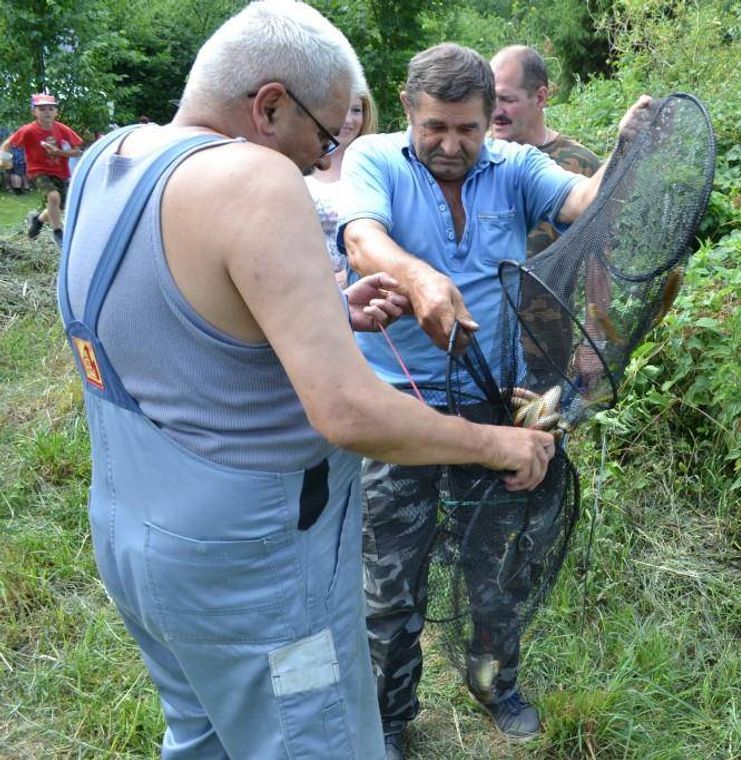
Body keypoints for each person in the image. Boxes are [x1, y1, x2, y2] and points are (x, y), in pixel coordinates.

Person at [58, 4, 555, 759]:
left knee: (205, 736)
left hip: (135, 537)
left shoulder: (109, 157)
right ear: (268, 105)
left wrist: (324, 312)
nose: (319, 160)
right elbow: (348, 413)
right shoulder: (254, 178)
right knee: (313, 740)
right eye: (324, 138)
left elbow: (172, 325)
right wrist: (496, 444)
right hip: (256, 574)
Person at [339, 42, 649, 758]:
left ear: (490, 120)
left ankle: (495, 683)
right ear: (410, 111)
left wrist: (625, 152)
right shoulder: (375, 161)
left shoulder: (514, 168)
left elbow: (581, 202)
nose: (451, 145)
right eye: (436, 128)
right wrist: (418, 280)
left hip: (493, 402)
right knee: (391, 581)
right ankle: (389, 715)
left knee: (500, 565)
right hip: (399, 409)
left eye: (468, 130)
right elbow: (361, 237)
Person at [489, 45, 601, 257]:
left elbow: (599, 257)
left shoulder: (582, 165)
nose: (495, 111)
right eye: (490, 99)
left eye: (507, 99)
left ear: (540, 97)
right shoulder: (476, 156)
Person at [306, 89, 375, 286]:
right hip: (307, 286)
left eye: (356, 110)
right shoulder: (299, 162)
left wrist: (348, 279)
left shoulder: (376, 167)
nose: (348, 120)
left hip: (363, 286)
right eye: (341, 110)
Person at [0, 93, 83, 245]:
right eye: (42, 109)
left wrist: (58, 152)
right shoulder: (28, 130)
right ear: (34, 112)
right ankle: (58, 232)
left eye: (51, 109)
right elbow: (7, 144)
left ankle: (37, 220)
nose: (47, 112)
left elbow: (77, 151)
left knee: (59, 207)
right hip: (38, 170)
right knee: (54, 197)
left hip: (60, 172)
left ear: (56, 112)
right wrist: (4, 159)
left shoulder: (63, 129)